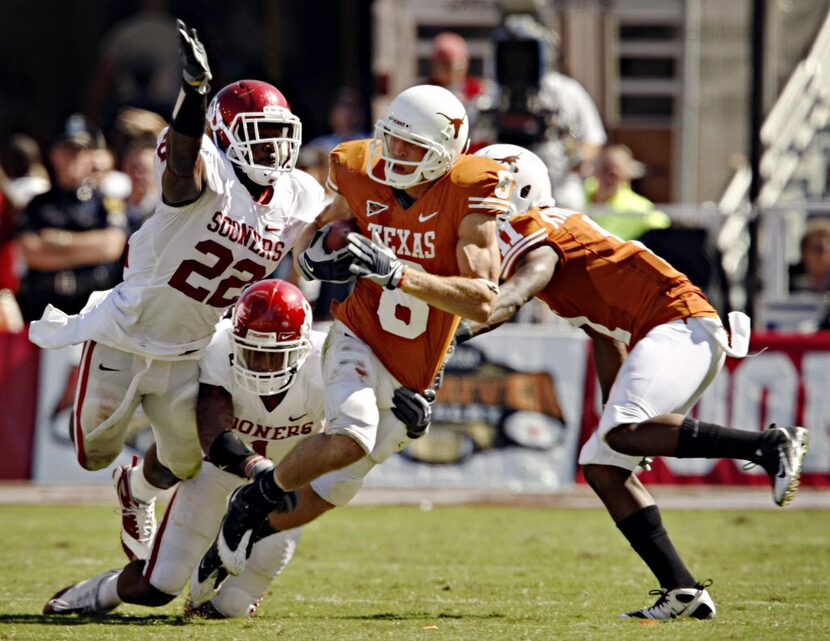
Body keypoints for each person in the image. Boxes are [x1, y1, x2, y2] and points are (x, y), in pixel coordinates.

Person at [458, 143, 809, 621]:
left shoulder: (533, 227)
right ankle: (682, 591)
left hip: (679, 326)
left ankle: (768, 444)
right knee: (603, 463)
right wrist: (614, 410)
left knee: (618, 437)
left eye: (488, 191)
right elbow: (605, 338)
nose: (478, 204)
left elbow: (520, 289)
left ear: (516, 191)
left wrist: (470, 321)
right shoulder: (546, 234)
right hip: (670, 334)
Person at [28, 21, 324, 564]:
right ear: (228, 135)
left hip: (192, 344)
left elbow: (321, 236)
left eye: (280, 134)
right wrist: (194, 96)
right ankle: (117, 476)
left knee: (185, 462)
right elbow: (182, 170)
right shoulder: (205, 168)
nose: (273, 146)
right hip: (127, 330)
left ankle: (137, 490)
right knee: (93, 454)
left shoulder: (298, 194)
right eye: (259, 133)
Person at [196, 83, 515, 582]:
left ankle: (242, 535)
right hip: (359, 333)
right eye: (392, 139)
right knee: (350, 435)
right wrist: (312, 257)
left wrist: (399, 274)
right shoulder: (359, 166)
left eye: (413, 148)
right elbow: (313, 238)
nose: (396, 154)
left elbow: (483, 299)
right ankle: (249, 501)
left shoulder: (469, 191)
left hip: (415, 363)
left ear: (448, 153)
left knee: (336, 488)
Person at [42, 279, 428, 618]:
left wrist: (409, 422)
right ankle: (98, 591)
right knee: (158, 587)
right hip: (225, 470)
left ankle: (213, 563)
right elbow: (213, 431)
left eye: (272, 355)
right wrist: (260, 473)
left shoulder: (331, 360)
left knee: (227, 608)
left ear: (301, 346)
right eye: (251, 352)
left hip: (285, 484)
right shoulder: (220, 345)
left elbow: (374, 420)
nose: (260, 366)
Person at [14, 115, 128, 323]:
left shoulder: (105, 203)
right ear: (53, 154)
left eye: (80, 151)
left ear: (91, 156)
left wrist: (58, 241)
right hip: (43, 315)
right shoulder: (38, 205)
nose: (73, 157)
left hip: (94, 316)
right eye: (67, 150)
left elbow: (111, 248)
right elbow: (32, 252)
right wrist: (89, 249)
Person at [585, 144, 670, 241]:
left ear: (626, 176)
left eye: (614, 175)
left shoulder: (639, 206)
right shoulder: (578, 194)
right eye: (604, 170)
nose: (608, 178)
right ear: (595, 170)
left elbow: (663, 227)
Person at [789, 217, 830, 294]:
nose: (823, 254)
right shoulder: (789, 279)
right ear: (804, 252)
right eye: (818, 249)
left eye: (827, 249)